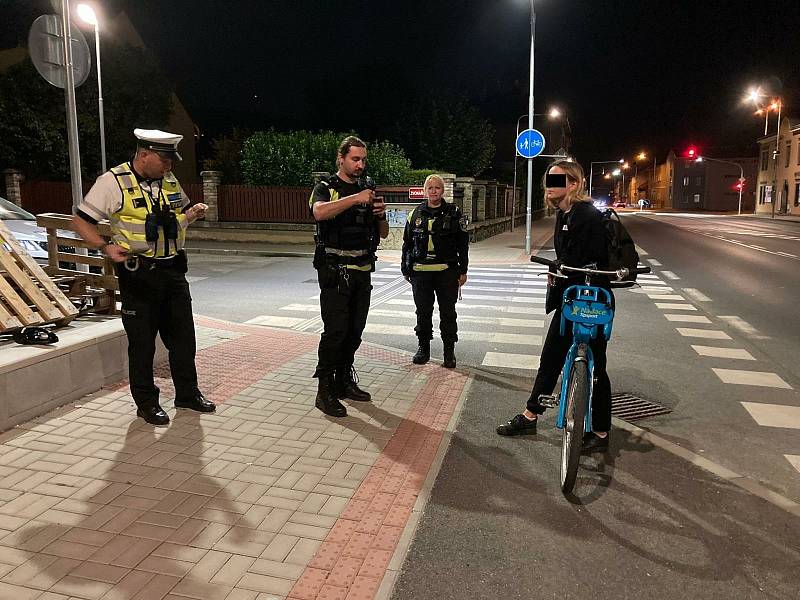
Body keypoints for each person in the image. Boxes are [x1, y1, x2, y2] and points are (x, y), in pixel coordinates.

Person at [72, 128, 214, 426]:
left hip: (174, 270)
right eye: (164, 159)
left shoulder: (169, 180)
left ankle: (187, 394)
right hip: (139, 275)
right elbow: (81, 220)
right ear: (144, 154)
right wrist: (104, 247)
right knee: (143, 344)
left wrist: (193, 213)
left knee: (183, 339)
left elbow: (181, 211)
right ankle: (146, 403)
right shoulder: (113, 182)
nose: (169, 165)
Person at [496, 159, 613, 453]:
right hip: (572, 297)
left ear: (573, 184)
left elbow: (591, 257)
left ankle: (599, 433)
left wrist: (564, 267)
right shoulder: (566, 214)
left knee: (596, 364)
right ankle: (530, 415)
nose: (551, 186)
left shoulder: (585, 215)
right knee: (551, 358)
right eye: (549, 180)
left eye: (558, 181)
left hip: (590, 300)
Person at [309, 136, 389, 417]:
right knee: (335, 332)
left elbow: (384, 233)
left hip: (362, 271)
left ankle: (343, 381)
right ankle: (325, 390)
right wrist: (354, 198)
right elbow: (318, 213)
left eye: (363, 160)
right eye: (355, 159)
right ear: (341, 158)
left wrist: (381, 215)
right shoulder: (326, 187)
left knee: (354, 331)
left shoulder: (369, 188)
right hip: (334, 270)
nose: (360, 164)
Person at [401, 174, 469, 368]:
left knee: (448, 313)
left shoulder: (454, 214)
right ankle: (423, 348)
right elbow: (406, 244)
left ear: (443, 190)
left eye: (437, 188)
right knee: (423, 312)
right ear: (425, 191)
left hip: (446, 272)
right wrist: (405, 268)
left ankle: (449, 352)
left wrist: (463, 271)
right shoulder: (415, 214)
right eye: (430, 188)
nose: (433, 191)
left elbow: (463, 246)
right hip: (420, 272)